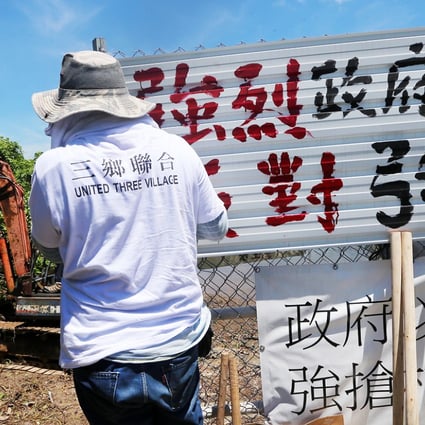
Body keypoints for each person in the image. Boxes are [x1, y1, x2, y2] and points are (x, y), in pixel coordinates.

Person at [29, 50, 228, 425]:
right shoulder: (176, 150)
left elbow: (49, 247)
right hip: (177, 341)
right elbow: (214, 227)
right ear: (124, 102)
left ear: (66, 109)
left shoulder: (52, 167)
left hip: (102, 351)